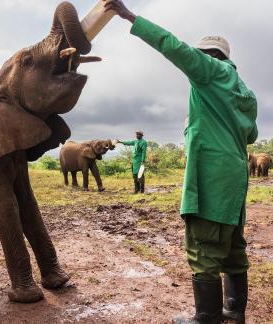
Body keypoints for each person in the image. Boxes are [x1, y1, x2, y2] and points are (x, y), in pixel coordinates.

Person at [104, 1, 258, 323]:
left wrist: (130, 16)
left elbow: (174, 47)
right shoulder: (246, 92)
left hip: (212, 176)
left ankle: (207, 318)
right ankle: (234, 311)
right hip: (235, 177)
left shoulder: (210, 72)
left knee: (203, 245)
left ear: (209, 56)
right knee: (231, 245)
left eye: (201, 54)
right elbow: (252, 135)